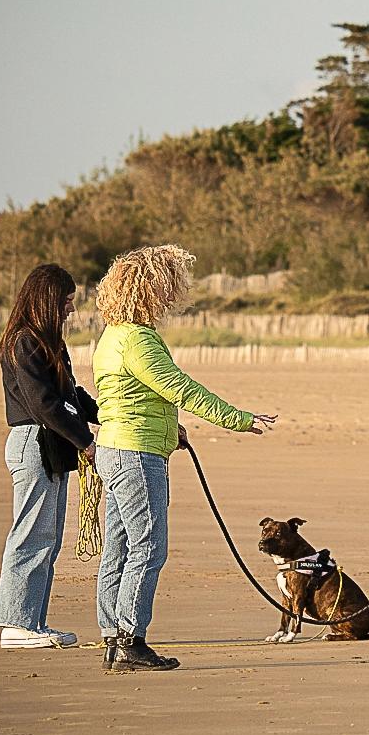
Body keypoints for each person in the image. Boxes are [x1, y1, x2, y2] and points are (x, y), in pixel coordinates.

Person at [92, 245, 277, 672]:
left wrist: (169, 428)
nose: (172, 298)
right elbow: (180, 388)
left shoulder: (113, 336)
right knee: (148, 546)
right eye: (167, 287)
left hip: (119, 447)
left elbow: (132, 396)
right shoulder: (137, 340)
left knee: (120, 547)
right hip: (134, 454)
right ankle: (130, 639)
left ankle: (113, 637)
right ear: (149, 291)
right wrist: (239, 419)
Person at [0, 264, 97, 648]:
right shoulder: (23, 341)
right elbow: (43, 404)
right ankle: (16, 625)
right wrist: (85, 441)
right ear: (48, 299)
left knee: (48, 537)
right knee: (31, 534)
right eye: (66, 301)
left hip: (50, 444)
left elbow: (70, 396)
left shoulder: (46, 340)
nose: (70, 309)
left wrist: (108, 414)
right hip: (33, 443)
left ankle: (31, 623)